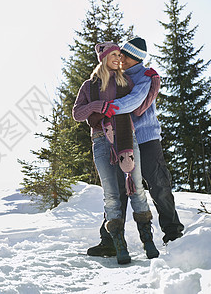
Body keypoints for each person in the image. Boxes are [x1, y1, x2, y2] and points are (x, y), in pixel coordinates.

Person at [86, 37, 185, 258]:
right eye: (120, 54)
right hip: (122, 140)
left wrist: (106, 107)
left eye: (126, 55)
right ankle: (109, 241)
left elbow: (135, 102)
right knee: (117, 189)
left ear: (135, 58)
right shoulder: (114, 76)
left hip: (146, 138)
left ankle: (173, 234)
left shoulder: (146, 76)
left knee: (158, 183)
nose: (121, 58)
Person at [73, 42, 159, 264]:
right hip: (101, 141)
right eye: (113, 54)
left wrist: (153, 84)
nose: (118, 57)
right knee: (111, 195)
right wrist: (97, 106)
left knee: (137, 188)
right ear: (103, 58)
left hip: (126, 138)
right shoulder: (89, 86)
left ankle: (148, 241)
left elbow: (138, 106)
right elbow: (77, 114)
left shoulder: (126, 81)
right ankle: (119, 245)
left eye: (119, 54)